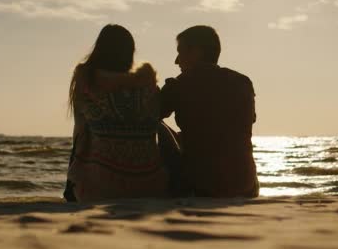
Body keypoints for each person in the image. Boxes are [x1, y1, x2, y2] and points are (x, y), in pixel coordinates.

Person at [66, 24, 170, 202]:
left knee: (83, 141)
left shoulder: (88, 81)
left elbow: (80, 132)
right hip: (151, 183)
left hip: (101, 185)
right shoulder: (148, 86)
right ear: (130, 52)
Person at [160, 25, 259, 198]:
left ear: (196, 52)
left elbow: (148, 114)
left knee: (158, 126)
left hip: (202, 186)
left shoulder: (180, 85)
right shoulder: (243, 83)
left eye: (180, 52)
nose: (176, 61)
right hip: (246, 185)